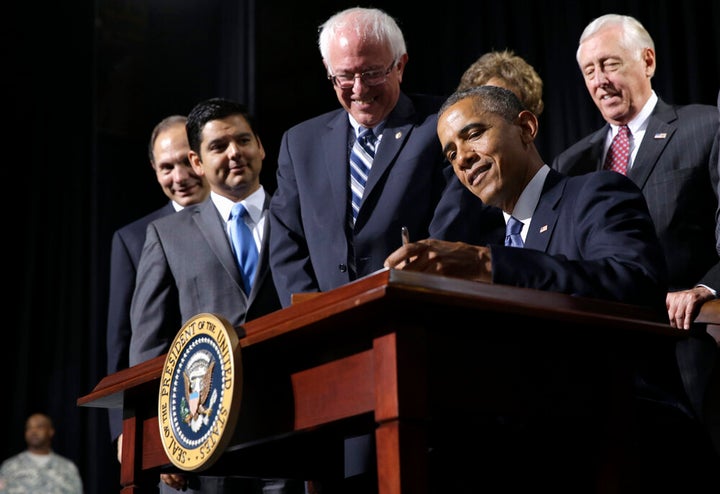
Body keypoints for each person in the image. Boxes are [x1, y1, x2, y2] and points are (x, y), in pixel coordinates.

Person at [267, 7, 447, 492]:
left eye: (372, 73)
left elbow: (453, 231)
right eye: (344, 77)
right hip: (326, 358)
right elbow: (287, 247)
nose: (359, 89)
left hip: (412, 347)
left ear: (401, 65)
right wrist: (318, 324)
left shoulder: (440, 125)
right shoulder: (299, 142)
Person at [551, 13, 720, 455]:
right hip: (605, 361)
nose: (600, 81)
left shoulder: (705, 126)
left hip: (689, 345)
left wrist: (707, 287)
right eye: (589, 71)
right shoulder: (572, 164)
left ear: (647, 60)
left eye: (610, 64)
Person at [129, 98, 302, 493]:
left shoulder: (301, 217)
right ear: (197, 161)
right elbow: (148, 347)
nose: (234, 153)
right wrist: (159, 442)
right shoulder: (167, 236)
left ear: (261, 146)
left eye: (243, 140)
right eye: (218, 146)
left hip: (293, 426)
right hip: (203, 440)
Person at [105, 115, 210, 463]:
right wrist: (125, 429)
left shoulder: (244, 220)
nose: (179, 177)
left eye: (186, 162)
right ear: (153, 168)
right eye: (166, 167)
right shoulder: (132, 240)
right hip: (175, 413)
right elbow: (122, 344)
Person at [430, 49, 544, 243]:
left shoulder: (575, 198)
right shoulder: (458, 198)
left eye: (476, 134)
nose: (463, 158)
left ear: (526, 125)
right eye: (452, 153)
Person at [0, 413, 83, 494]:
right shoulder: (9, 467)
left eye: (39, 427)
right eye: (29, 427)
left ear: (51, 431)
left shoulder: (67, 467)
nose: (33, 431)